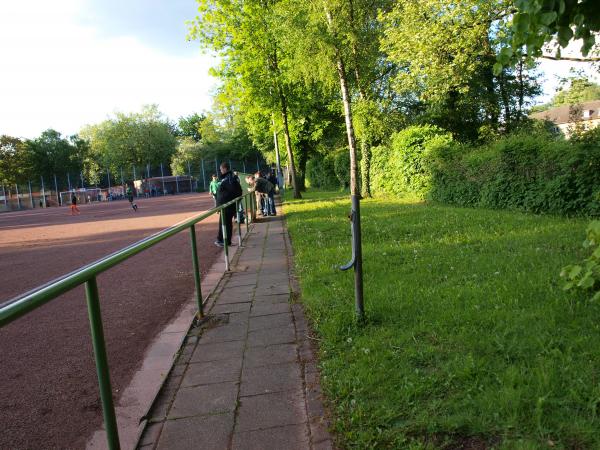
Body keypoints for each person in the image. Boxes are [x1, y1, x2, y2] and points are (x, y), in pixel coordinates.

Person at [215, 162, 242, 247]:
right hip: (226, 206)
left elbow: (234, 191)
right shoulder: (228, 178)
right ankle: (223, 240)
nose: (220, 171)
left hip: (227, 206)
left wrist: (224, 201)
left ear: (225, 169)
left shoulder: (229, 178)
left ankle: (224, 241)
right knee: (225, 223)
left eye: (221, 169)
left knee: (225, 223)